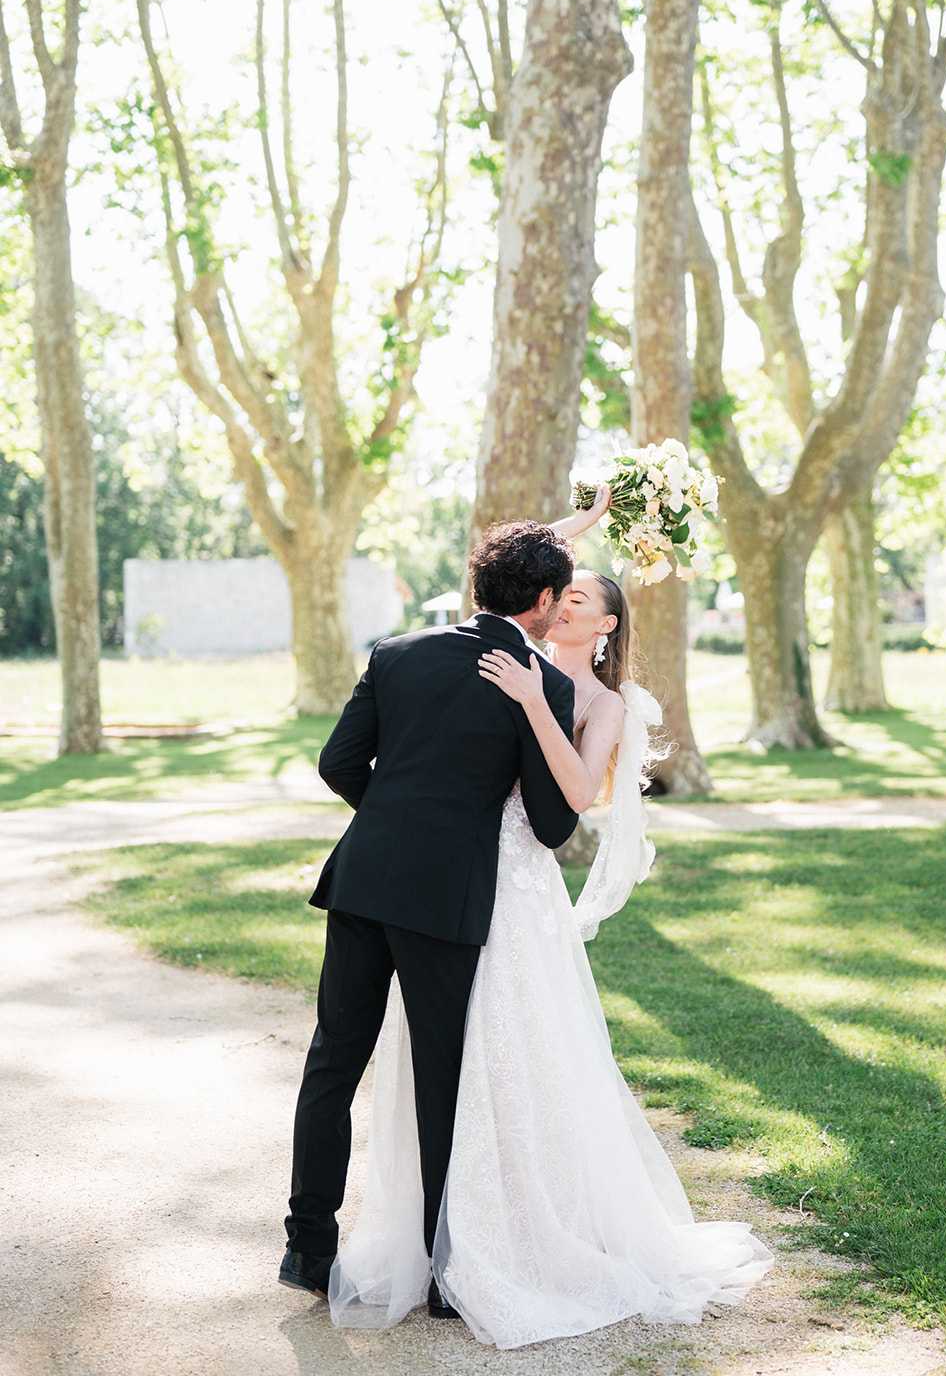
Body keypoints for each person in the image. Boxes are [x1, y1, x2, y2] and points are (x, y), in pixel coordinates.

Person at [326, 490, 774, 1347]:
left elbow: (568, 804)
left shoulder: (595, 699)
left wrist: (538, 700)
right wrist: (586, 518)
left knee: (517, 1058)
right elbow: (507, 583)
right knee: (448, 1063)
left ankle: (516, 1225)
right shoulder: (498, 645)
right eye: (559, 592)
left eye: (582, 599)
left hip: (516, 886)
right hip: (447, 878)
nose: (565, 601)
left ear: (603, 626)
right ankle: (438, 1231)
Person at [279, 517, 580, 1310]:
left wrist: (392, 821)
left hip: (364, 879)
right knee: (442, 1082)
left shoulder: (397, 652)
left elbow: (337, 762)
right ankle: (445, 1272)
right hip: (445, 900)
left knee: (332, 1063)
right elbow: (552, 826)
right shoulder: (539, 682)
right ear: (545, 600)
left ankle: (306, 1247)